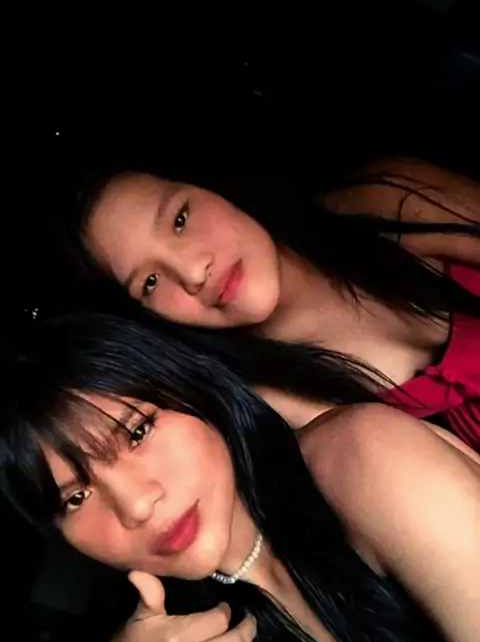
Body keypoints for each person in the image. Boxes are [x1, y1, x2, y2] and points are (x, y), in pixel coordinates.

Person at [2, 310, 479, 642]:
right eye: (76, 498)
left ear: (193, 390)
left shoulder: (361, 459)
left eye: (137, 432)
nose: (137, 506)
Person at [59, 153, 480, 450]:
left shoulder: (384, 202)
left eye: (180, 218)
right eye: (150, 282)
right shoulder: (274, 416)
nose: (193, 272)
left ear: (212, 183)